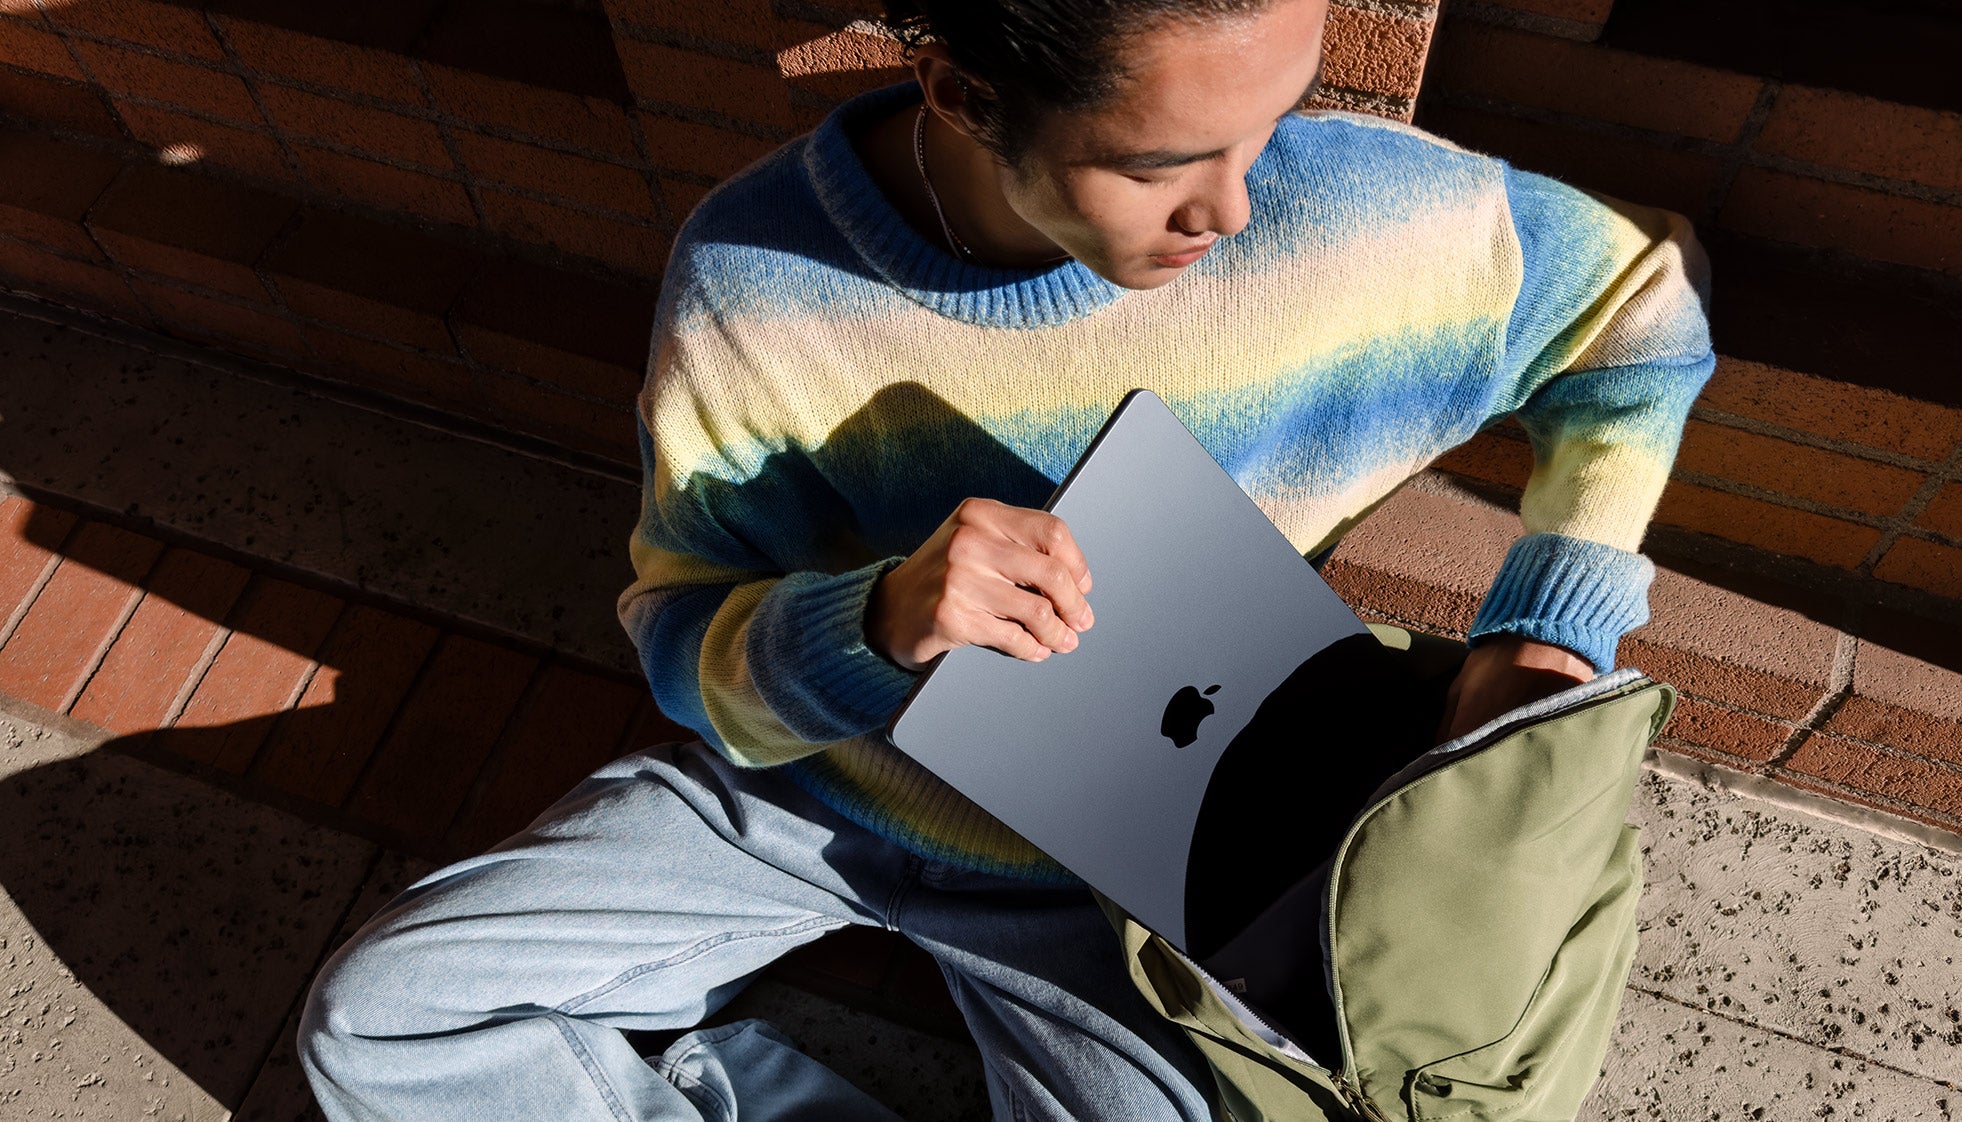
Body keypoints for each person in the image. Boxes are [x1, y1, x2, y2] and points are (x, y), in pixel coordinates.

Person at [297, 0, 1714, 1117]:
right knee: (383, 1019)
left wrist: (1548, 623)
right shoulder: (757, 277)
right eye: (1159, 163)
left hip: (1119, 879)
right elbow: (682, 643)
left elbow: (1644, 313)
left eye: (1272, 120)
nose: (1228, 211)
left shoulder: (1361, 216)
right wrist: (873, 624)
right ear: (968, 96)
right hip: (808, 806)